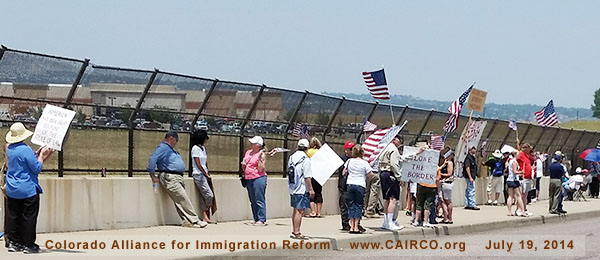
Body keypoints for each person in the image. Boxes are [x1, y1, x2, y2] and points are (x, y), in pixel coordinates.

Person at [4, 123, 54, 253]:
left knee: (14, 216)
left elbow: (20, 162)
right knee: (29, 217)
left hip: (12, 188)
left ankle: (15, 242)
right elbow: (36, 168)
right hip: (27, 189)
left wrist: (35, 154)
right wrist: (42, 156)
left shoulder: (9, 149)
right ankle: (29, 244)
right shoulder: (25, 149)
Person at [148, 131, 207, 228]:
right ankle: (195, 220)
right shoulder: (162, 148)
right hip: (170, 176)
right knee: (183, 198)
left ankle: (187, 221)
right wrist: (152, 175)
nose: (176, 142)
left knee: (179, 200)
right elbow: (153, 159)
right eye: (176, 140)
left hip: (176, 176)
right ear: (171, 138)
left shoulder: (169, 149)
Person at [379, 135, 425, 230]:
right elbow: (394, 164)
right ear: (394, 139)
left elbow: (401, 158)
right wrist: (399, 177)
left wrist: (416, 153)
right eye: (399, 140)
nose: (400, 142)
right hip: (390, 174)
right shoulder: (393, 149)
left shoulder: (385, 148)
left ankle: (386, 221)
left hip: (383, 173)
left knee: (387, 199)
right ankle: (390, 222)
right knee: (393, 199)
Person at [343, 144, 373, 234]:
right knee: (358, 205)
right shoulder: (364, 163)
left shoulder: (349, 161)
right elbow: (370, 174)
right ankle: (356, 226)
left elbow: (344, 171)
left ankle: (351, 226)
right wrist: (365, 177)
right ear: (362, 153)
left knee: (351, 205)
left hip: (350, 184)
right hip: (360, 184)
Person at [288, 139, 314, 239]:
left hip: (293, 187)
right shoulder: (305, 159)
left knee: (295, 210)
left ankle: (294, 230)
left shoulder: (292, 157)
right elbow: (307, 176)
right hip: (301, 188)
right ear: (307, 148)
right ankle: (297, 232)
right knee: (300, 211)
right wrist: (311, 189)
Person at [241, 136, 268, 226]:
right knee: (252, 199)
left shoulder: (261, 154)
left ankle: (261, 219)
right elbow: (244, 164)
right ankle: (255, 217)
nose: (251, 144)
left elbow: (261, 169)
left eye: (254, 143)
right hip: (249, 178)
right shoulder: (248, 152)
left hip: (258, 178)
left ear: (259, 145)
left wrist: (260, 157)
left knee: (259, 199)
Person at [190, 130, 215, 224]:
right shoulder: (195, 148)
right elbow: (198, 163)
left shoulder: (203, 148)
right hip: (198, 174)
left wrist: (208, 172)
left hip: (205, 174)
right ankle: (206, 212)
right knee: (209, 195)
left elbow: (205, 162)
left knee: (204, 196)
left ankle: (205, 215)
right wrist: (205, 173)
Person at [413, 148, 440, 228]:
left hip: (421, 185)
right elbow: (437, 179)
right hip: (431, 187)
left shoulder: (422, 165)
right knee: (427, 205)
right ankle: (425, 221)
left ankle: (416, 221)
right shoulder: (436, 167)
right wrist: (437, 189)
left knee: (419, 204)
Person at [305, 138, 323, 218]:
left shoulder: (308, 152)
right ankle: (319, 213)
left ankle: (312, 212)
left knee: (311, 193)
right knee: (319, 193)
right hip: (319, 175)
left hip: (311, 174)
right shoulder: (320, 152)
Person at [506, 150, 526, 217]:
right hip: (514, 180)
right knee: (519, 196)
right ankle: (523, 211)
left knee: (510, 196)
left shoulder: (510, 161)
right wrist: (521, 172)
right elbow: (514, 171)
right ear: (515, 155)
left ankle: (509, 211)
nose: (519, 156)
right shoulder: (514, 162)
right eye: (518, 154)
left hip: (509, 179)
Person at [517, 143, 534, 216]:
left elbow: (533, 159)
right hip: (523, 177)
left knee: (525, 195)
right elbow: (515, 159)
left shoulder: (527, 155)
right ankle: (519, 209)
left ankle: (524, 208)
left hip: (528, 177)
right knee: (521, 194)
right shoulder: (520, 154)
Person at [439, 150, 455, 224]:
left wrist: (440, 174)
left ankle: (449, 218)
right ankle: (446, 217)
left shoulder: (450, 163)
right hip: (443, 183)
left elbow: (449, 173)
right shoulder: (444, 163)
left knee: (447, 201)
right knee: (442, 200)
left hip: (446, 183)